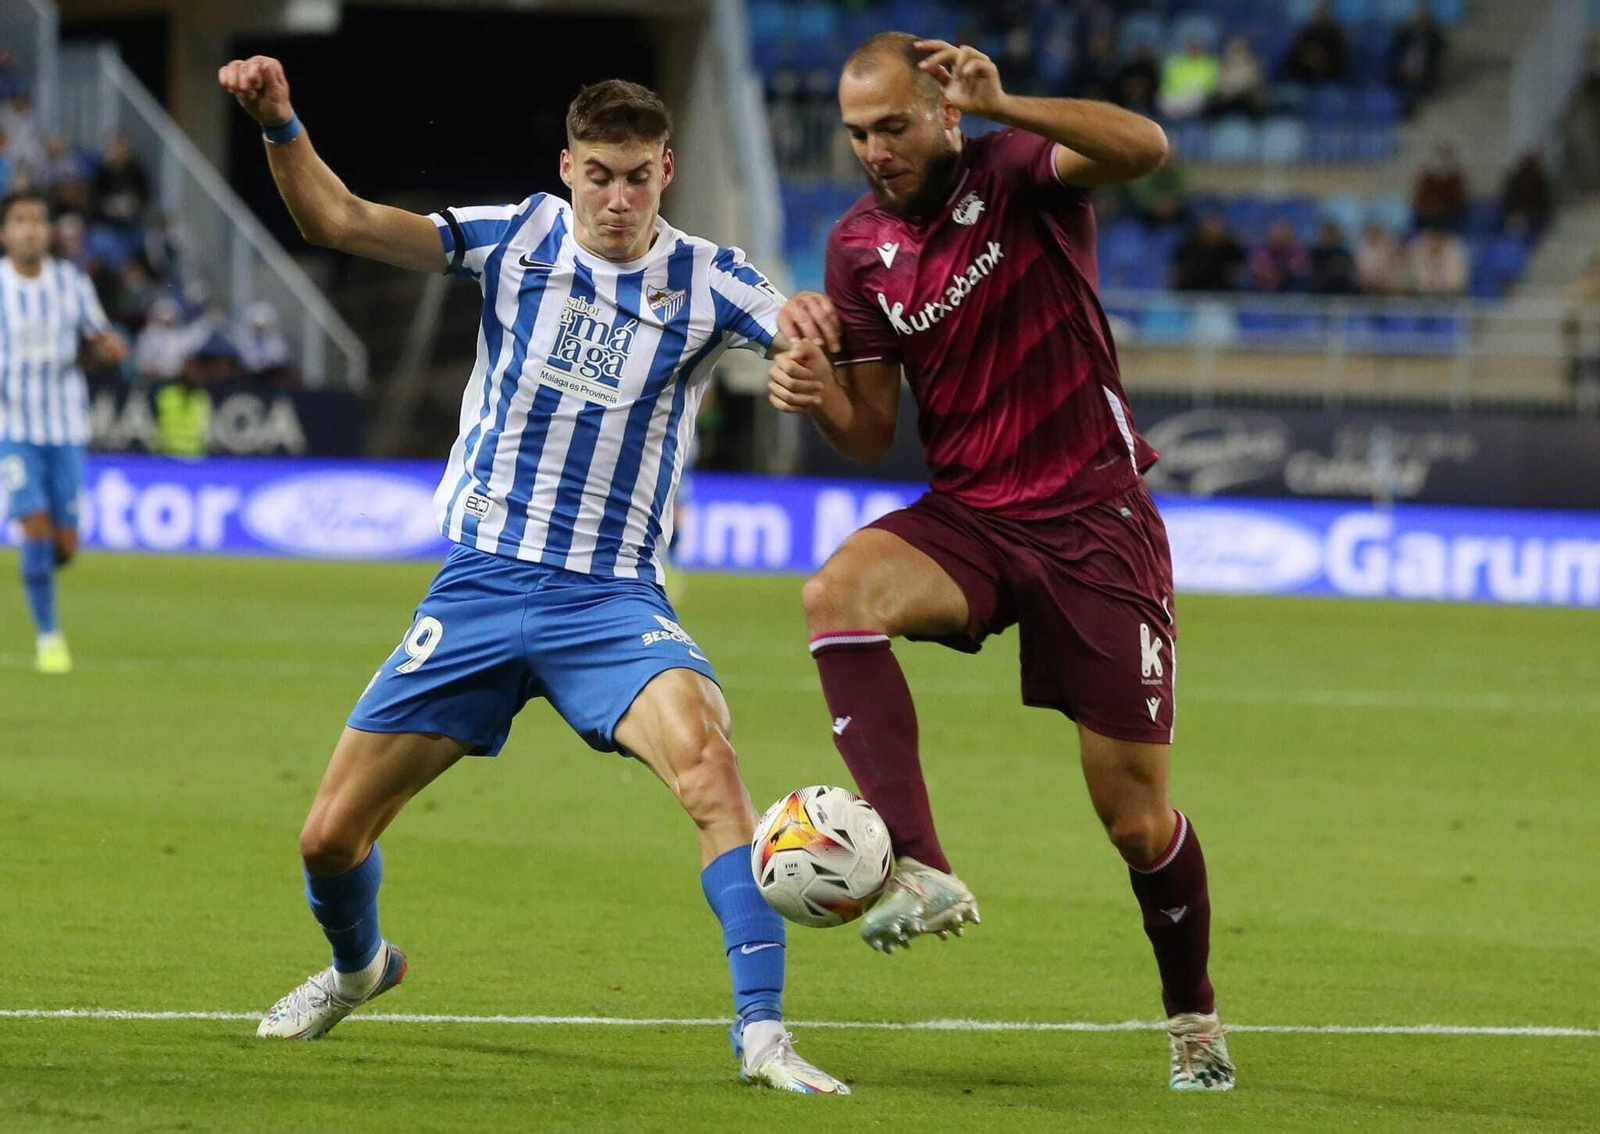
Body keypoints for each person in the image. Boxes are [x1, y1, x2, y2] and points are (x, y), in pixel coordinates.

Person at [217, 56, 847, 1095]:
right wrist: (282, 123)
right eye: (598, 173)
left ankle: (763, 1034)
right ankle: (358, 967)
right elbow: (338, 220)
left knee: (710, 770)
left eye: (637, 176)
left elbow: (802, 347)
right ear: (566, 169)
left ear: (667, 172)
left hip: (610, 603)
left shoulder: (713, 280)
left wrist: (807, 359)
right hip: (479, 586)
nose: (616, 197)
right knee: (329, 837)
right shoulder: (517, 237)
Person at [767, 33, 1235, 1092]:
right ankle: (919, 866)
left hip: (1094, 523)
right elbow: (866, 426)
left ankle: (1192, 1018)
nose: (874, 150)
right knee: (835, 592)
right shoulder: (857, 246)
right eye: (856, 134)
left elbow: (1147, 147)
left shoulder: (1019, 169)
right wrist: (816, 389)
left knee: (1134, 818)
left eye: (891, 126)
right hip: (974, 516)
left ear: (943, 112)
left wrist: (1010, 99)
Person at [0, 190, 131, 672]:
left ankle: (33, 569)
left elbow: (98, 338)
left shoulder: (71, 283)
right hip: (12, 427)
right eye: (20, 220)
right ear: (5, 233)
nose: (30, 229)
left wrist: (110, 349)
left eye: (38, 220)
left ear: (49, 232)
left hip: (66, 427)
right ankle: (49, 638)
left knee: (65, 546)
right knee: (33, 524)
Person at [1386, 2, 1445, 114]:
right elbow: (1393, 53)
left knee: (1412, 91)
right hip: (1400, 72)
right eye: (1418, 15)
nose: (1421, 19)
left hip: (1420, 77)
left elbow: (1435, 63)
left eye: (1425, 16)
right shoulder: (1404, 34)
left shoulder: (1435, 39)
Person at [1171, 214, 1246, 292]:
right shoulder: (1188, 247)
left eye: (1216, 225)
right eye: (1209, 225)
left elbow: (1236, 274)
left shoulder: (1232, 249)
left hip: (1223, 294)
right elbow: (1178, 272)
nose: (1212, 229)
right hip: (1191, 293)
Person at [1281, 0, 1349, 85]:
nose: (1320, 12)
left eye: (1324, 9)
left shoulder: (1336, 34)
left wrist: (1321, 61)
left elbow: (1340, 65)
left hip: (1330, 81)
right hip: (1302, 80)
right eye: (1318, 9)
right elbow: (1293, 60)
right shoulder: (1306, 32)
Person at [1412, 144, 1467, 231]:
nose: (1442, 164)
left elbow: (1460, 203)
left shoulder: (1456, 179)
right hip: (1427, 221)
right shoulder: (1426, 179)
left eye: (1445, 160)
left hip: (1451, 220)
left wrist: (1443, 207)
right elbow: (1419, 201)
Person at [1248, 219, 1310, 293]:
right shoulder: (1261, 249)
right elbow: (1257, 269)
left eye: (1283, 233)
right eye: (1277, 233)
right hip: (1263, 282)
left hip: (1288, 283)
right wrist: (1269, 275)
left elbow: (1299, 269)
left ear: (1290, 236)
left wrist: (1279, 274)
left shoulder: (1298, 250)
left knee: (1298, 284)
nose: (1279, 237)